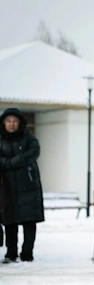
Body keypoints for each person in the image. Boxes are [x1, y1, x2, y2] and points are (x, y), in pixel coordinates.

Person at [0, 108, 44, 263]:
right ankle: (11, 252)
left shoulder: (28, 137)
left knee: (28, 220)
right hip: (6, 186)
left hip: (28, 185)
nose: (11, 124)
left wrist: (15, 162)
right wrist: (8, 163)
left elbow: (35, 151)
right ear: (4, 122)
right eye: (8, 121)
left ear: (19, 123)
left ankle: (27, 253)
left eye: (15, 121)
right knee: (9, 220)